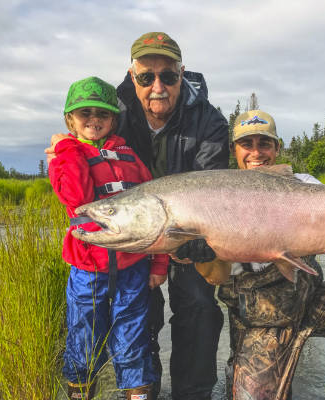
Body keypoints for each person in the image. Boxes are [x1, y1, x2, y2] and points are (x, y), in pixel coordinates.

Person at [189, 110, 325, 400]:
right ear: (234, 150)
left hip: (311, 304)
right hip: (261, 325)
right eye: (247, 144)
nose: (256, 152)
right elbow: (216, 277)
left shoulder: (303, 183)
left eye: (264, 144)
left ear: (277, 148)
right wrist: (200, 252)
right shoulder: (216, 196)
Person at [115, 32, 230, 400]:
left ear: (182, 74)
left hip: (187, 231)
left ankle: (192, 393)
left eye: (168, 76)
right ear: (133, 78)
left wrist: (197, 242)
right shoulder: (114, 114)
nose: (158, 87)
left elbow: (212, 186)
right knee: (136, 309)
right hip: (135, 232)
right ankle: (141, 389)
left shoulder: (210, 121)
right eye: (147, 78)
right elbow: (84, 142)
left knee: (197, 304)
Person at [47, 76, 169, 400]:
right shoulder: (64, 157)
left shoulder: (131, 157)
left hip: (133, 270)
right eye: (84, 113)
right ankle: (80, 392)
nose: (93, 120)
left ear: (114, 119)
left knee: (133, 342)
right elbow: (77, 198)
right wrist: (68, 149)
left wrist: (159, 262)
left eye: (101, 113)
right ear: (69, 120)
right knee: (83, 344)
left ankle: (137, 393)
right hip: (88, 273)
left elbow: (156, 215)